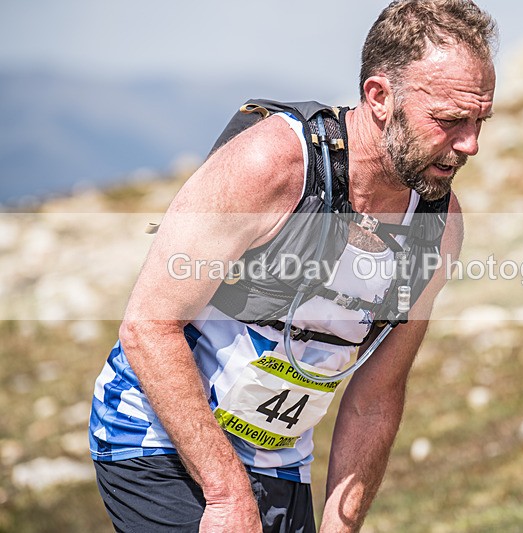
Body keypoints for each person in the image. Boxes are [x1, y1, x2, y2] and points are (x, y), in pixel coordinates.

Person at [88, 0, 497, 531]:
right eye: (448, 120)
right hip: (154, 439)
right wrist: (226, 495)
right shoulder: (271, 166)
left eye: (479, 120)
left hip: (278, 458)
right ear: (379, 97)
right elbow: (149, 327)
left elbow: (376, 395)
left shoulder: (438, 226)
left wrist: (340, 525)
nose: (471, 143)